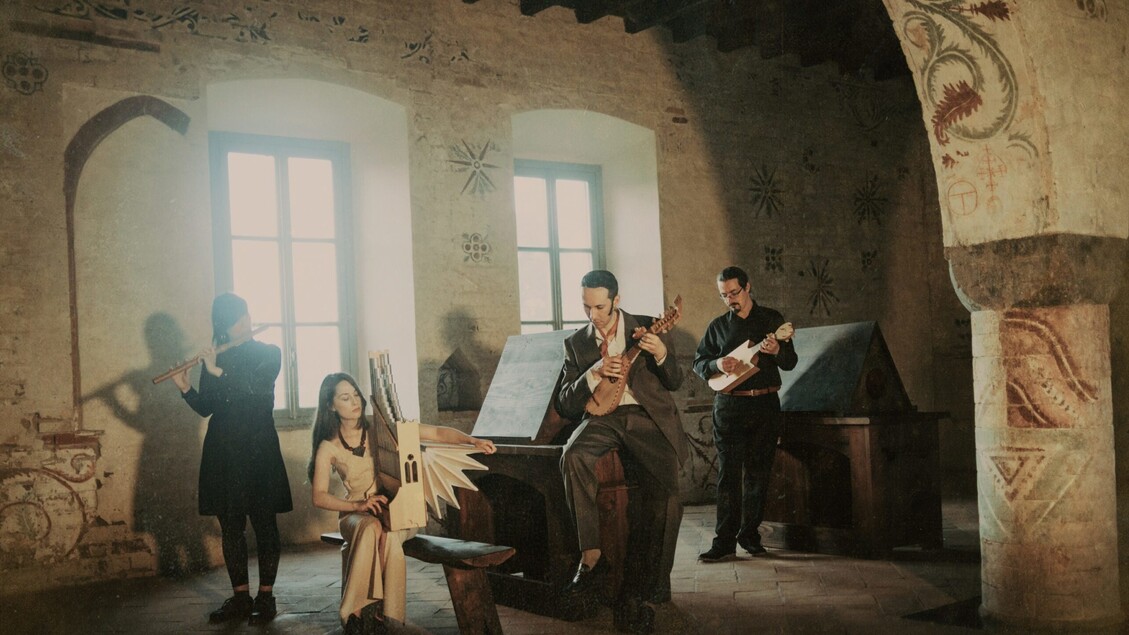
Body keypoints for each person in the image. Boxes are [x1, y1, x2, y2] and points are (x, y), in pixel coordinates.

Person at [308, 372, 496, 634]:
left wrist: (472, 440)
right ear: (331, 405)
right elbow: (319, 497)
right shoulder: (328, 446)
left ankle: (365, 615)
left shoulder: (381, 426)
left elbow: (435, 432)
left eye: (356, 394)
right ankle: (369, 614)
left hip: (398, 511)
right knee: (371, 529)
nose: (355, 401)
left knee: (386, 535)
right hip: (356, 514)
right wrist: (359, 506)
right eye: (345, 397)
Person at [555, 270, 687, 631]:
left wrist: (661, 353)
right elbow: (565, 403)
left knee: (667, 495)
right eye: (586, 306)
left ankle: (651, 590)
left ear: (616, 300)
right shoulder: (576, 343)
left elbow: (675, 381)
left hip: (647, 417)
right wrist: (593, 373)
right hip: (604, 418)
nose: (592, 315)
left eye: (600, 306)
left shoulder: (649, 326)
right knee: (572, 455)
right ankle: (591, 557)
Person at [171, 293, 292, 624]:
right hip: (224, 452)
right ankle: (240, 598)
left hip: (259, 450)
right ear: (223, 326)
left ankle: (265, 597)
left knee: (265, 524)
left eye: (246, 315)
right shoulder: (216, 357)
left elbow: (256, 392)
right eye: (236, 319)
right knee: (231, 527)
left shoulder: (269, 353)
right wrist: (185, 388)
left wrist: (216, 370)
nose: (245, 322)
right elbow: (207, 408)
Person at [693, 266, 797, 562]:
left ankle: (749, 536)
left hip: (765, 405)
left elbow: (790, 362)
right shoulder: (717, 327)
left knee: (758, 474)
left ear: (748, 287)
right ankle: (724, 543)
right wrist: (716, 365)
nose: (730, 300)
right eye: (724, 295)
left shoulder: (772, 320)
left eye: (734, 293)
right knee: (728, 476)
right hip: (729, 406)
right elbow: (699, 363)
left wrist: (776, 351)